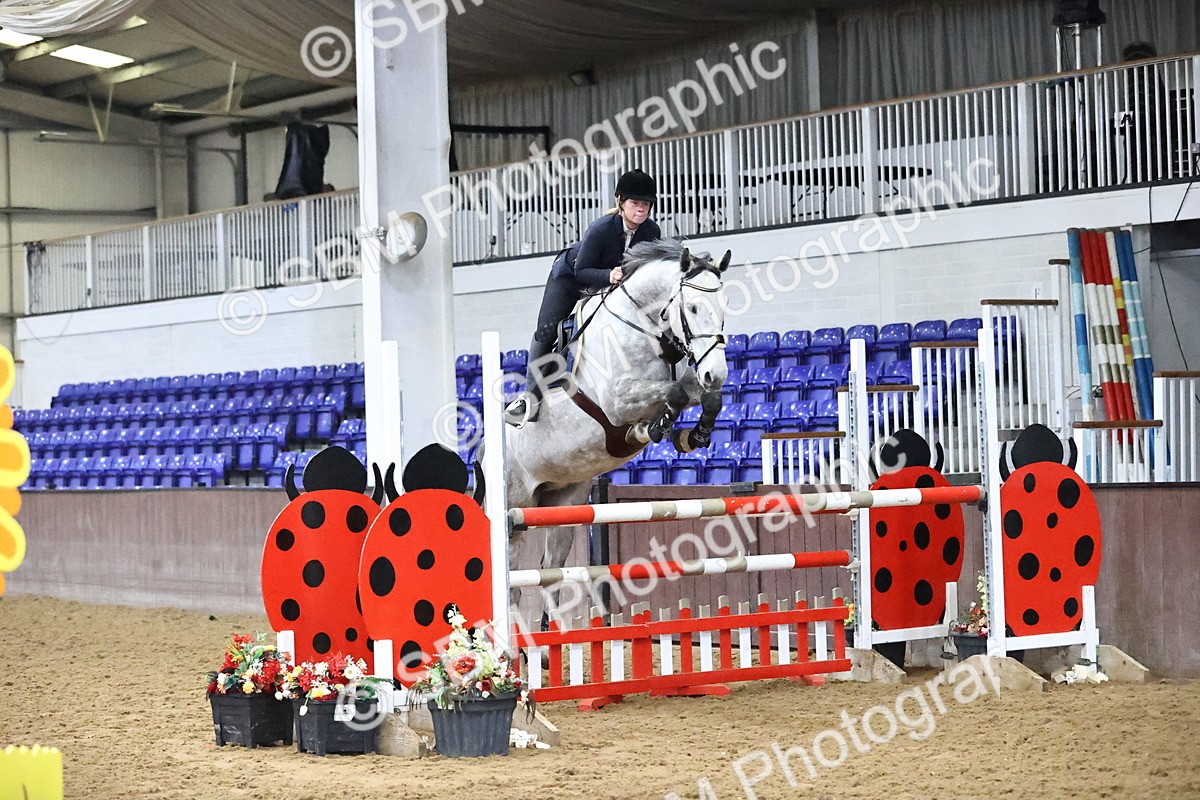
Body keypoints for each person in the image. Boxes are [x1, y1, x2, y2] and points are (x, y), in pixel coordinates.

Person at [504, 168, 661, 426]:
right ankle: (528, 399)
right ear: (620, 202)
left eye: (646, 203)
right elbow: (582, 270)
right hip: (570, 279)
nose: (641, 209)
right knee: (546, 332)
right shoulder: (601, 228)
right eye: (635, 203)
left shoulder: (651, 232)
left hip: (609, 285)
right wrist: (609, 276)